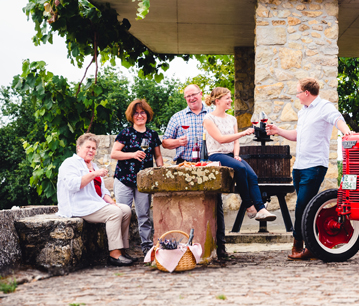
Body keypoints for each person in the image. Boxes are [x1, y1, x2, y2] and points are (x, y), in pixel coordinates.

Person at [266, 78, 351, 260]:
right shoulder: (303, 112)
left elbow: (337, 119)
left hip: (315, 166)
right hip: (299, 167)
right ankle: (312, 246)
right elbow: (298, 135)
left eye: (298, 92)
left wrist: (347, 132)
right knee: (307, 207)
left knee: (302, 206)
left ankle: (300, 246)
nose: (296, 96)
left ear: (306, 93)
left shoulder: (324, 107)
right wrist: (278, 130)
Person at [162, 84, 229, 259]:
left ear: (200, 95)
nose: (191, 98)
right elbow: (165, 142)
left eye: (193, 95)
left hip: (208, 163)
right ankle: (185, 246)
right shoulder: (178, 117)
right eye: (187, 96)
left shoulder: (213, 115)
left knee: (216, 205)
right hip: (185, 164)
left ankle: (219, 246)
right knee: (184, 205)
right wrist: (177, 142)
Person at [57, 133, 134, 266]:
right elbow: (73, 185)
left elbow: (103, 192)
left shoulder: (93, 166)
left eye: (94, 148)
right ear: (79, 147)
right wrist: (93, 174)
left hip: (94, 204)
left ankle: (122, 250)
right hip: (78, 205)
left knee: (125, 210)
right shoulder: (70, 163)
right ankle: (114, 255)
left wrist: (113, 203)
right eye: (88, 147)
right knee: (114, 213)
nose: (91, 150)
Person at [203, 87, 277, 222]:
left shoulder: (232, 119)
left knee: (253, 176)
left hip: (231, 155)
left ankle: (261, 210)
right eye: (227, 98)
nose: (231, 100)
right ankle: (249, 206)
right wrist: (243, 133)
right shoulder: (208, 119)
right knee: (241, 168)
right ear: (218, 101)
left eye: (230, 97)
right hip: (216, 155)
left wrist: (236, 155)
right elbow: (220, 139)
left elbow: (235, 142)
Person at [110, 99, 163, 256]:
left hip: (143, 182)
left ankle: (147, 249)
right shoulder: (125, 133)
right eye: (136, 113)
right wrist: (132, 154)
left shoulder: (152, 134)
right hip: (124, 180)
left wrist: (161, 169)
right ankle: (121, 250)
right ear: (131, 116)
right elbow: (114, 153)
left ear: (147, 114)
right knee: (122, 214)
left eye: (143, 112)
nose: (140, 115)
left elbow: (158, 156)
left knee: (144, 216)